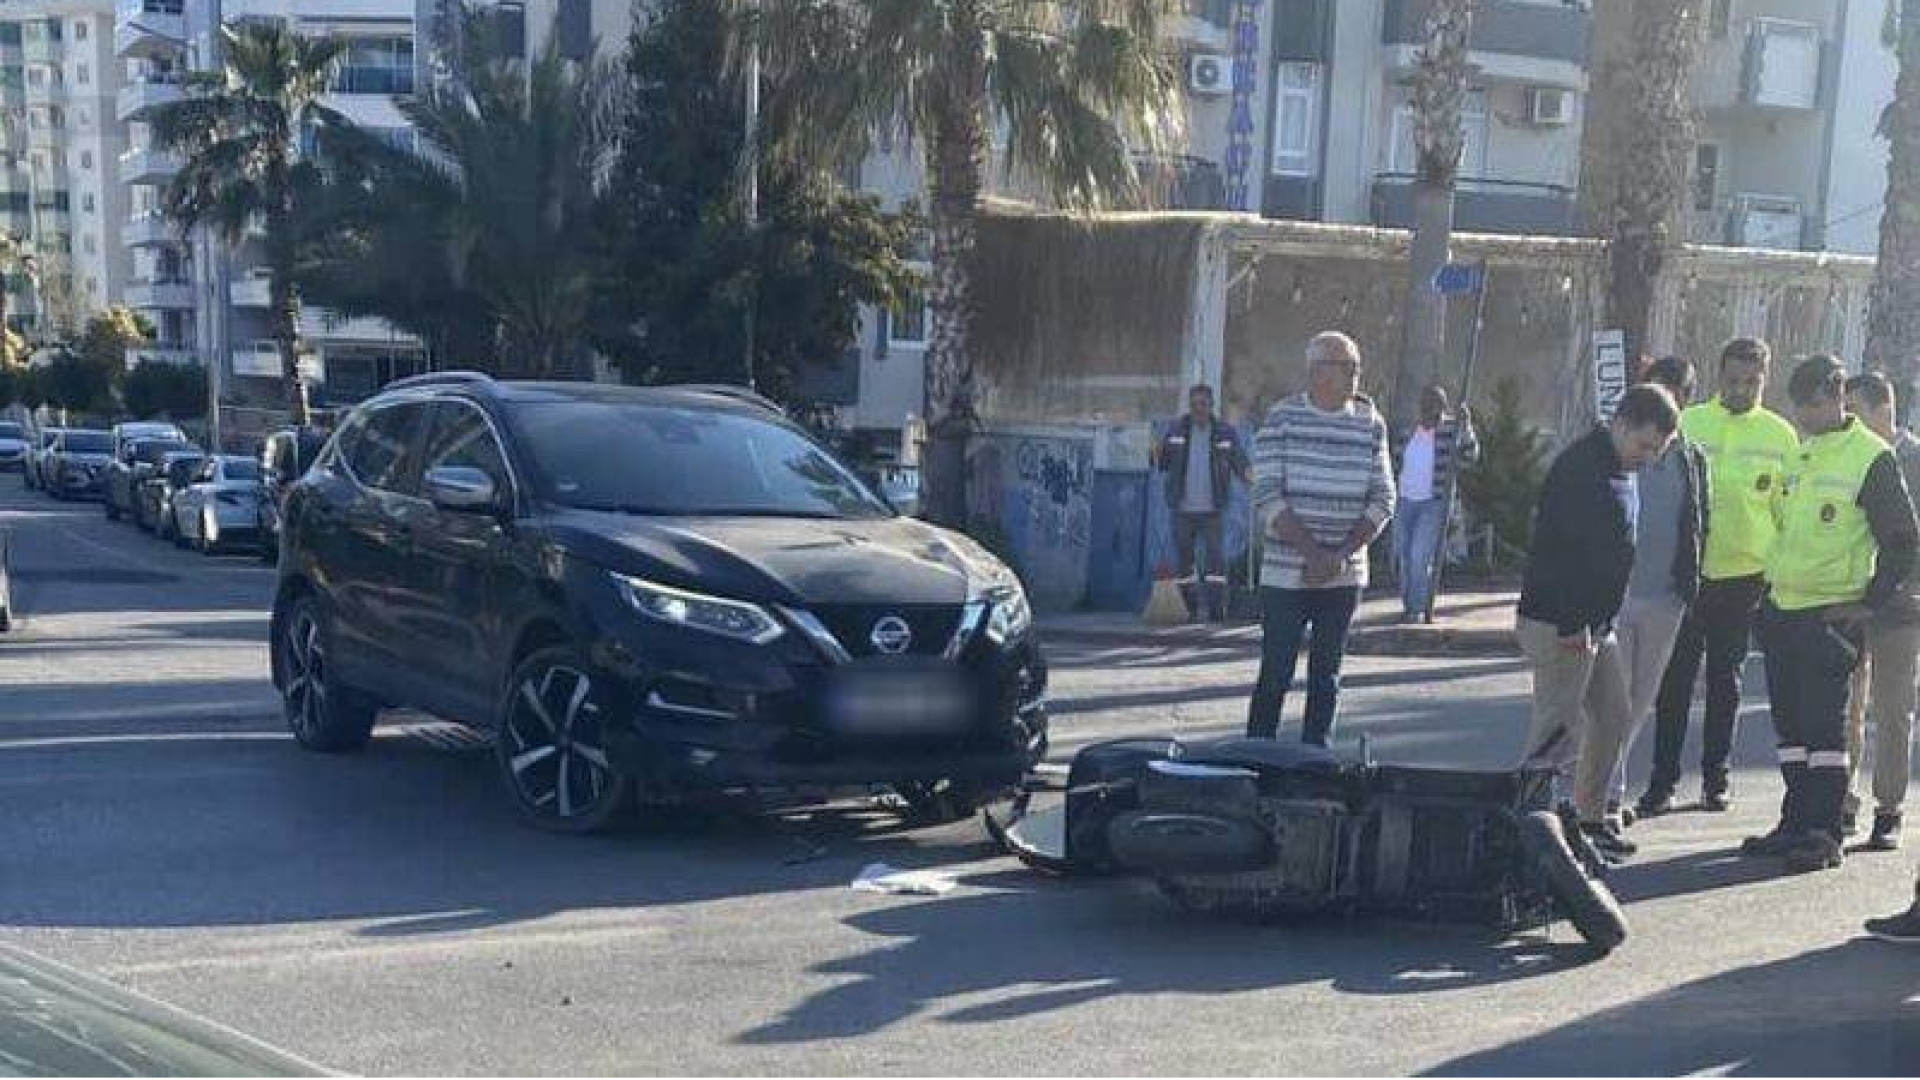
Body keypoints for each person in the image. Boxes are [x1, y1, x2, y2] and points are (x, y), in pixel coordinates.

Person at [1743, 356, 1918, 873]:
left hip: (1830, 614)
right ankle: (1795, 821)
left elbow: (1902, 541)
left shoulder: (1870, 458)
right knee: (1791, 729)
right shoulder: (1802, 453)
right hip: (1784, 608)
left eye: (1814, 405)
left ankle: (1825, 831)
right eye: (1799, 407)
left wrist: (1869, 602)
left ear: (1839, 397)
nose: (1805, 416)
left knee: (1825, 732)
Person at [1638, 338, 1801, 817]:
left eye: (1751, 382)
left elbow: (1786, 513)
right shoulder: (1689, 423)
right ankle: (1662, 782)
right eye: (1732, 380)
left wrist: (1778, 572)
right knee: (1675, 680)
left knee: (1726, 681)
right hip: (1690, 573)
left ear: (1765, 381)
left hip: (1746, 576)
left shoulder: (1780, 436)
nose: (1740, 390)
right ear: (1718, 377)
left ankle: (1716, 779)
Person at [1516, 383, 1681, 854]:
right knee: (1556, 732)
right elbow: (1558, 552)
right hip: (1562, 620)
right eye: (1644, 445)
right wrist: (1573, 623)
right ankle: (1527, 830)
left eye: (1659, 450)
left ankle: (1589, 822)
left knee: (1613, 715)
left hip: (1596, 623)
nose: (1649, 458)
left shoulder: (1620, 467)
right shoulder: (1580, 469)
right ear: (1621, 425)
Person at [1574, 358, 1710, 858]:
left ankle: (1606, 794)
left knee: (1638, 703)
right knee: (1610, 704)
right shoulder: (1617, 450)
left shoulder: (1690, 457)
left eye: (1676, 394)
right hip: (1620, 595)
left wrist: (1690, 580)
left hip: (1666, 597)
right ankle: (1600, 803)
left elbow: (1698, 518)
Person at [1247, 331, 1395, 746]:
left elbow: (1384, 498)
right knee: (1276, 670)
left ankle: (1317, 759)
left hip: (1343, 574)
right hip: (1286, 574)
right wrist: (1312, 554)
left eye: (1356, 367)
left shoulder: (1371, 424)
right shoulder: (1282, 419)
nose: (1355, 375)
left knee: (1326, 675)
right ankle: (1257, 754)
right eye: (1346, 367)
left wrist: (1339, 555)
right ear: (1316, 373)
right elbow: (1266, 493)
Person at [1842, 372, 1920, 850]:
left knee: (1893, 710)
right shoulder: (1846, 454)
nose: (1846, 419)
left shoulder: (1913, 459)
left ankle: (1888, 809)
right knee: (1846, 708)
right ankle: (1842, 800)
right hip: (1850, 598)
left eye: (1854, 410)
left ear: (1883, 410)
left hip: (1902, 604)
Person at [1156, 383, 1251, 623]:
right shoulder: (1176, 430)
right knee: (1184, 563)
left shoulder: (1224, 433)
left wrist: (1251, 478)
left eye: (1203, 404)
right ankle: (1189, 609)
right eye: (1194, 404)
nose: (1199, 409)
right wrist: (1155, 452)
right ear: (1189, 406)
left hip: (1213, 509)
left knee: (1215, 564)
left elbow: (1239, 461)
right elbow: (1162, 463)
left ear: (1211, 406)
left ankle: (1216, 611)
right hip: (1182, 508)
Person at [1392, 385, 1478, 623]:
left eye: (1436, 404)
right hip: (1404, 500)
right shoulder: (1408, 431)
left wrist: (1466, 427)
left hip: (1434, 502)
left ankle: (1417, 608)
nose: (1430, 408)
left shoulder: (1451, 430)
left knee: (1420, 555)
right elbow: (1395, 461)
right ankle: (1408, 604)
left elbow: (1469, 457)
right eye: (1426, 403)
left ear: (1443, 406)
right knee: (1403, 556)